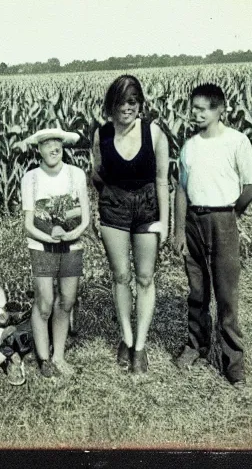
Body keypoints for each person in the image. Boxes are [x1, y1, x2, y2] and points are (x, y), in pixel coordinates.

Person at [173, 83, 252, 388]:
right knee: (197, 292)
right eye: (193, 108)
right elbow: (181, 189)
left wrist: (232, 213)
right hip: (193, 221)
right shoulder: (190, 146)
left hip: (222, 220)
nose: (195, 114)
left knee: (226, 296)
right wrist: (178, 230)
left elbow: (251, 185)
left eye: (203, 108)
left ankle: (233, 363)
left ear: (220, 109)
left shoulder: (237, 141)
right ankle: (196, 347)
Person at [91, 75, 170, 374]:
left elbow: (162, 181)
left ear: (140, 104)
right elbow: (96, 173)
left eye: (133, 101)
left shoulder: (154, 133)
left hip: (148, 209)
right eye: (121, 101)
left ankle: (140, 345)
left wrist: (165, 222)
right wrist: (112, 198)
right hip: (114, 209)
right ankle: (125, 337)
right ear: (111, 105)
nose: (127, 107)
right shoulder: (102, 134)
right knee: (121, 276)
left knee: (145, 278)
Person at [21, 123, 90, 378]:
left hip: (72, 244)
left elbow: (85, 216)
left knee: (67, 300)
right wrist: (50, 237)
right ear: (39, 149)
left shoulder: (76, 174)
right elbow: (29, 225)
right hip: (41, 246)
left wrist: (73, 234)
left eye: (57, 142)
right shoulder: (31, 178)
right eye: (47, 143)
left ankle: (58, 356)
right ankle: (43, 358)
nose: (54, 147)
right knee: (45, 303)